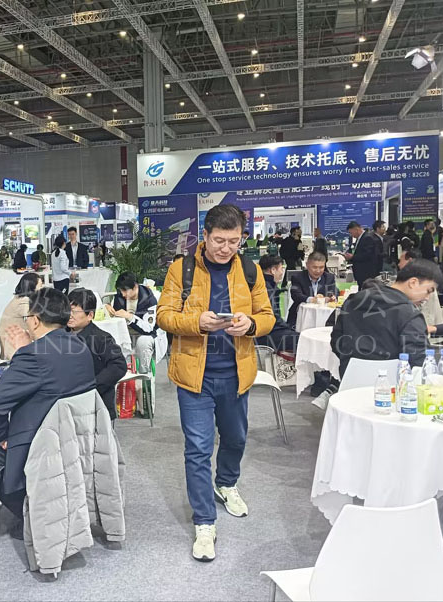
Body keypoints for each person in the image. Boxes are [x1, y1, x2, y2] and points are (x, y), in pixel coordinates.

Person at [156, 204, 275, 562]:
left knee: (236, 438)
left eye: (233, 241)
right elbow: (164, 316)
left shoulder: (250, 270)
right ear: (205, 236)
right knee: (197, 448)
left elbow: (267, 316)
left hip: (236, 374)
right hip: (195, 376)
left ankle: (226, 483)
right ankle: (204, 522)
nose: (226, 248)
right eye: (219, 240)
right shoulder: (182, 269)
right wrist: (197, 323)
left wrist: (250, 326)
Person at [0, 288, 95, 536]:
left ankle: (29, 513)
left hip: (42, 442)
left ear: (35, 320)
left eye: (27, 318)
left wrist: (3, 436)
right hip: (78, 436)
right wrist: (28, 349)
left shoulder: (33, 356)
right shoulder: (80, 346)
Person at [331, 259, 442, 380]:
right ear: (413, 282)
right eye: (428, 291)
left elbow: (336, 341)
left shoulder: (353, 301)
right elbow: (419, 362)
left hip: (350, 380)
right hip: (392, 385)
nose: (427, 298)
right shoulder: (410, 315)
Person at [67, 288, 128, 421]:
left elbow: (119, 366)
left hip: (96, 404)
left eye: (75, 312)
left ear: (90, 315)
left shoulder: (101, 338)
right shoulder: (62, 335)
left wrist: (92, 386)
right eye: (67, 310)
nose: (70, 315)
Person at [106, 272, 158, 373]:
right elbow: (113, 315)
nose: (123, 294)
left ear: (135, 287)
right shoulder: (119, 297)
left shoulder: (149, 300)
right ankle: (120, 373)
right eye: (121, 291)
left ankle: (144, 374)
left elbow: (148, 328)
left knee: (143, 342)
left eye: (125, 290)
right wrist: (107, 308)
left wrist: (130, 317)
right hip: (124, 332)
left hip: (144, 334)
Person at [256, 255, 299, 352]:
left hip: (265, 331)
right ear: (273, 270)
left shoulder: (263, 284)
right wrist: (287, 327)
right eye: (281, 269)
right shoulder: (266, 288)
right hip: (267, 334)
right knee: (301, 340)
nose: (282, 272)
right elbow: (273, 317)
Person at [0, 272, 43, 360]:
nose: (42, 288)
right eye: (40, 286)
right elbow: (36, 317)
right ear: (32, 287)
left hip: (12, 339)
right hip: (12, 344)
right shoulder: (23, 302)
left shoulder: (19, 299)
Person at [287, 251, 337, 329]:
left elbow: (334, 291)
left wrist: (332, 297)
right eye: (314, 267)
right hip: (301, 316)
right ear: (307, 265)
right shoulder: (298, 277)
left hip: (324, 316)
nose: (318, 271)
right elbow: (296, 295)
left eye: (321, 267)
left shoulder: (329, 277)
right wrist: (312, 299)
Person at [344, 221, 382, 288]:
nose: (351, 235)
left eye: (351, 232)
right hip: (360, 272)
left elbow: (367, 255)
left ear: (356, 229)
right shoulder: (360, 238)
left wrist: (352, 257)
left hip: (366, 272)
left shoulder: (367, 238)